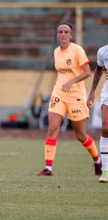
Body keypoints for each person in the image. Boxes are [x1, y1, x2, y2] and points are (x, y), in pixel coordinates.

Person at [37, 22, 102, 176]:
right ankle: (48, 168)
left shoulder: (77, 50)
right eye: (60, 32)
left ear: (71, 35)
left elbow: (87, 72)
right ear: (57, 35)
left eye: (66, 32)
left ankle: (97, 161)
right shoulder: (56, 52)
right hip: (59, 93)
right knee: (52, 129)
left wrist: (72, 81)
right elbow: (62, 74)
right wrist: (62, 84)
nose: (63, 34)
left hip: (76, 96)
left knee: (81, 135)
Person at [87, 44, 108, 182]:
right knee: (106, 128)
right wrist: (92, 91)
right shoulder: (103, 51)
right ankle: (105, 170)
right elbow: (98, 70)